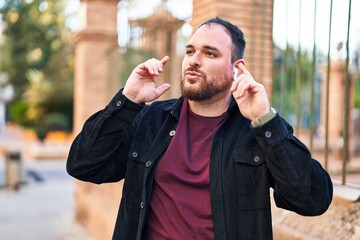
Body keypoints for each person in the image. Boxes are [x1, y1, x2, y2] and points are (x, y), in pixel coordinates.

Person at [67, 17, 333, 240]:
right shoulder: (150, 120)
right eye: (190, 51)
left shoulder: (258, 129)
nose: (194, 60)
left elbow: (312, 200)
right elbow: (83, 164)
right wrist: (127, 101)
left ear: (236, 68)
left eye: (209, 53)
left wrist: (265, 120)